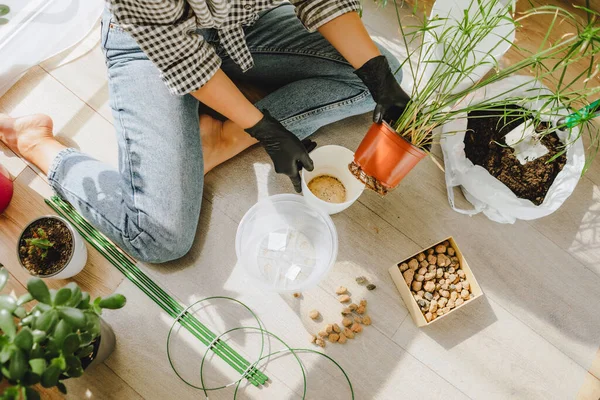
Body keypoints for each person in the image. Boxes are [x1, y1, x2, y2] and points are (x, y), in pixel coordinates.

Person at [0, 0, 410, 263]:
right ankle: (35, 142)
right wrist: (266, 129)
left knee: (378, 70)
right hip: (152, 52)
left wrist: (378, 78)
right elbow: (186, 62)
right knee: (159, 239)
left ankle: (222, 138)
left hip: (243, 25)